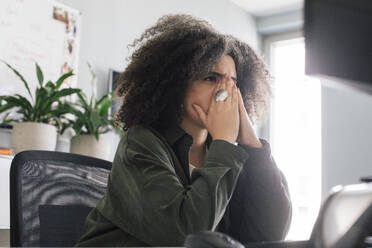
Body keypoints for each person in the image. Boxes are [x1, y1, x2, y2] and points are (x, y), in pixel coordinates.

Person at [76, 14, 292, 247]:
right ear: (177, 84)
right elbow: (184, 236)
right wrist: (225, 144)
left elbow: (270, 234)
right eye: (211, 78)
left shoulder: (225, 152)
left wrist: (254, 147)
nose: (225, 93)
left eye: (233, 83)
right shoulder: (141, 144)